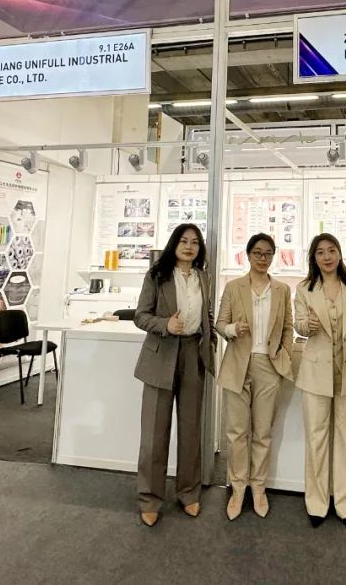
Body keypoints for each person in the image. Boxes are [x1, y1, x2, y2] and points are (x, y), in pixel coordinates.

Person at [133, 224, 216, 526]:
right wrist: (165, 325)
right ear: (174, 244)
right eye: (183, 241)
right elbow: (141, 316)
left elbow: (207, 315)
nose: (189, 246)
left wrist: (210, 339)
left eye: (195, 242)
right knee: (155, 433)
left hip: (193, 354)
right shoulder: (157, 275)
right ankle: (150, 498)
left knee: (191, 431)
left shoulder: (203, 277)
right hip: (162, 355)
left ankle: (188, 493)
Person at [293, 233, 346, 530]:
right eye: (320, 252)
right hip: (316, 374)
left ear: (340, 254)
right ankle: (316, 504)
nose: (326, 257)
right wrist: (308, 325)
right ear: (313, 258)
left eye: (331, 251)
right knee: (316, 439)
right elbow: (298, 324)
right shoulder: (304, 288)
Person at [216, 233, 294, 520]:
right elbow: (219, 324)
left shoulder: (282, 290)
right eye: (257, 253)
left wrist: (283, 355)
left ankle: (258, 488)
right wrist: (232, 329)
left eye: (268, 253)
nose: (263, 258)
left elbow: (288, 328)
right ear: (248, 255)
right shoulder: (234, 287)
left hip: (268, 366)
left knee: (263, 432)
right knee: (237, 432)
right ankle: (238, 488)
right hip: (238, 363)